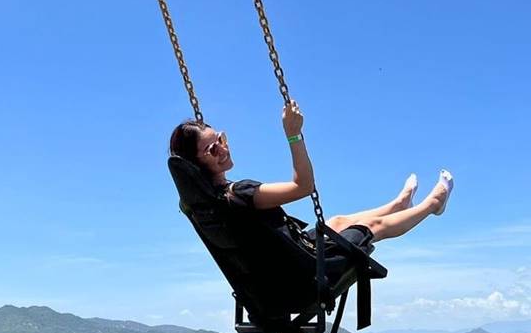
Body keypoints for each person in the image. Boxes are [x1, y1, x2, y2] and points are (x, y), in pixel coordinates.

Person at [168, 100, 453, 251]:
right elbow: (303, 186)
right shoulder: (238, 194)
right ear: (196, 165)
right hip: (301, 269)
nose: (222, 149)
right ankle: (433, 203)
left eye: (221, 139)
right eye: (211, 149)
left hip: (286, 259)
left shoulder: (210, 202)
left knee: (339, 221)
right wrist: (293, 135)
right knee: (374, 227)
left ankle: (398, 205)